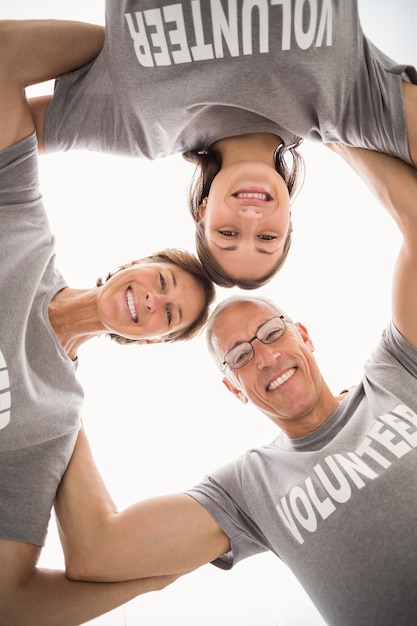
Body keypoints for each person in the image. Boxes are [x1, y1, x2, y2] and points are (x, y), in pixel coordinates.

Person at [50, 143, 417, 626]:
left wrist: (329, 128)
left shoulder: (395, 370)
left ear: (303, 334)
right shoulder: (248, 489)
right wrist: (58, 368)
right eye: (240, 356)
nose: (265, 357)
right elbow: (98, 553)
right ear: (234, 389)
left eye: (271, 333)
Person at [0, 19, 215, 625]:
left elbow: (9, 600)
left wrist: (145, 586)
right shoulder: (23, 229)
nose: (153, 300)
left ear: (148, 341)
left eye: (168, 317)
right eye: (162, 280)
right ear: (130, 264)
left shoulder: (56, 414)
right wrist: (168, 64)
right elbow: (6, 55)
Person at [23, 0, 417, 288]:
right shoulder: (348, 108)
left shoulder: (139, 131)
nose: (249, 219)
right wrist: (339, 139)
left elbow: (17, 126)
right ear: (289, 221)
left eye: (227, 234)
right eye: (267, 238)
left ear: (203, 211)